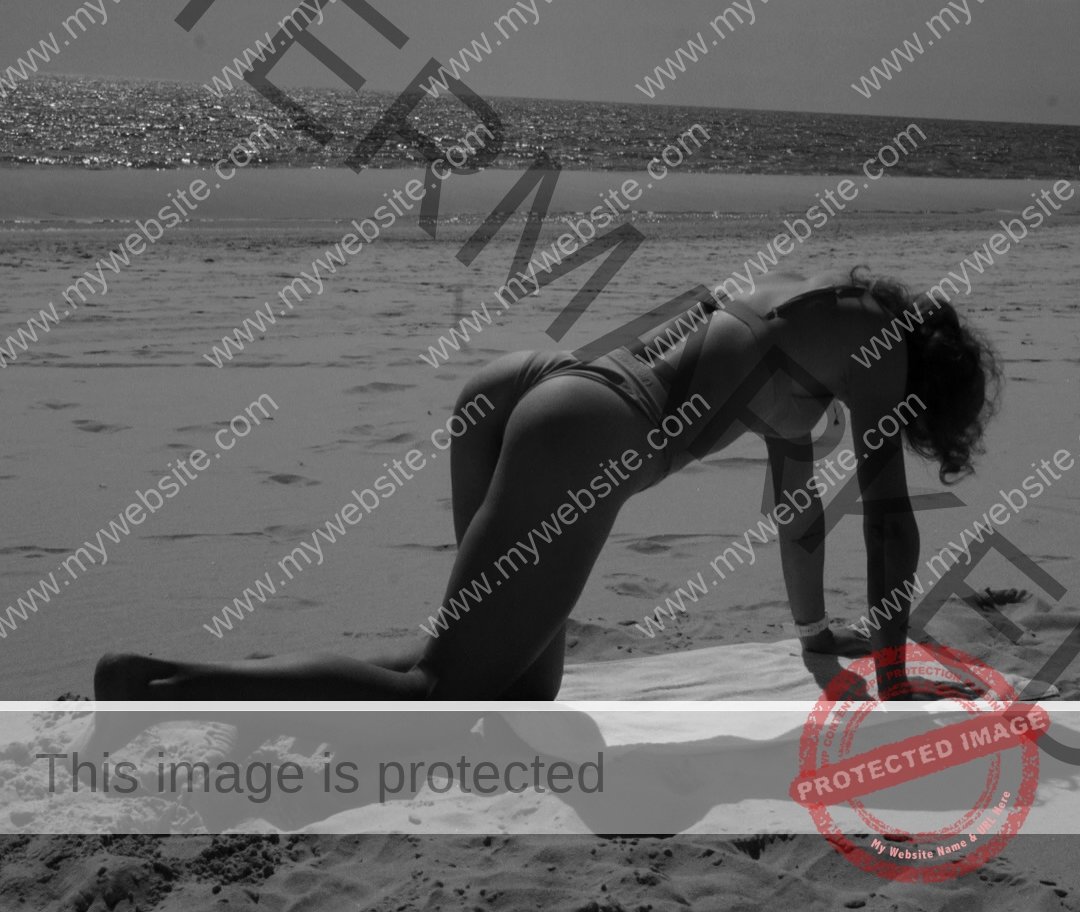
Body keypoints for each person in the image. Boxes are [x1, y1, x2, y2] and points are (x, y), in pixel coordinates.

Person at [95, 266, 1001, 703]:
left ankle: (213, 679)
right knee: (445, 693)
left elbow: (798, 515)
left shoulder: (807, 318)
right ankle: (157, 682)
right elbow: (887, 520)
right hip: (584, 431)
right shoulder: (881, 348)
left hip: (531, 385)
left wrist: (814, 636)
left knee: (519, 687)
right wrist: (894, 678)